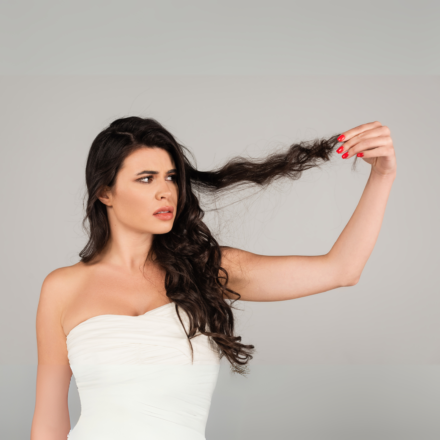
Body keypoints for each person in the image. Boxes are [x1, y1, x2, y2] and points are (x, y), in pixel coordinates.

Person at [30, 116, 396, 440]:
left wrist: (383, 174)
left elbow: (341, 269)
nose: (165, 191)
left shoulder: (207, 269)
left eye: (171, 177)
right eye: (146, 179)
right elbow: (48, 423)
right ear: (105, 192)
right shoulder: (62, 288)